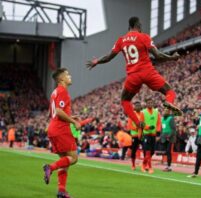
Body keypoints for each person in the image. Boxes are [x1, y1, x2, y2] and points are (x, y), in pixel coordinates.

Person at [86, 16, 182, 131]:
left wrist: (97, 61)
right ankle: (168, 104)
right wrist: (172, 58)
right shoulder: (144, 37)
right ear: (138, 26)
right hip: (148, 72)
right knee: (169, 91)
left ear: (129, 27)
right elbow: (158, 55)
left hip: (133, 76)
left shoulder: (121, 40)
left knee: (125, 100)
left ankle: (137, 123)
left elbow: (108, 57)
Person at [43, 68, 81, 198]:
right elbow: (58, 111)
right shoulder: (62, 91)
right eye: (67, 74)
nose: (70, 76)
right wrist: (72, 121)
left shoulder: (54, 92)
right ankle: (50, 167)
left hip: (54, 128)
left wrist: (70, 116)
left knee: (65, 161)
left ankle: (61, 191)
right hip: (61, 129)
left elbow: (51, 113)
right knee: (74, 158)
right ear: (61, 79)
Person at [141, 98, 161, 174]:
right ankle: (149, 167)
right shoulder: (143, 112)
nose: (150, 104)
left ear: (153, 104)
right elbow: (141, 123)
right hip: (146, 134)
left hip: (153, 134)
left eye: (151, 103)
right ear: (146, 104)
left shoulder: (156, 112)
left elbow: (159, 123)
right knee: (148, 152)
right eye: (148, 103)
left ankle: (143, 163)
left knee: (152, 152)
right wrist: (148, 127)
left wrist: (158, 133)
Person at [127, 101, 144, 170]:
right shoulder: (132, 114)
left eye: (138, 105)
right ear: (134, 107)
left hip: (142, 135)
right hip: (134, 135)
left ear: (141, 107)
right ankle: (133, 165)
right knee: (134, 150)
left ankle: (144, 164)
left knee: (146, 150)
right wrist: (138, 128)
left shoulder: (143, 114)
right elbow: (130, 126)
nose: (137, 107)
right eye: (136, 106)